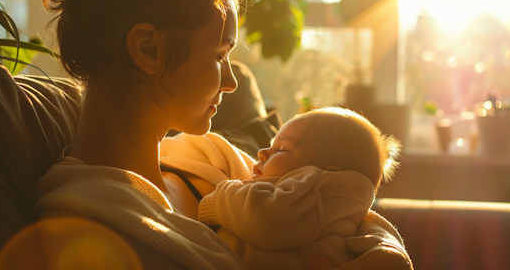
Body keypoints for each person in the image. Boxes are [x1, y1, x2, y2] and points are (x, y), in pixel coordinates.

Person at [29, 0, 413, 268]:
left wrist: (388, 251)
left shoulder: (208, 160)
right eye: (219, 55)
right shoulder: (84, 225)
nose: (230, 82)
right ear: (148, 49)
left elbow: (339, 202)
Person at [161, 107, 405, 269]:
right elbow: (383, 238)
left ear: (327, 175)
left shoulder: (314, 190)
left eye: (282, 149)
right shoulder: (345, 206)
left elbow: (266, 219)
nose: (262, 153)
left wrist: (219, 198)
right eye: (271, 144)